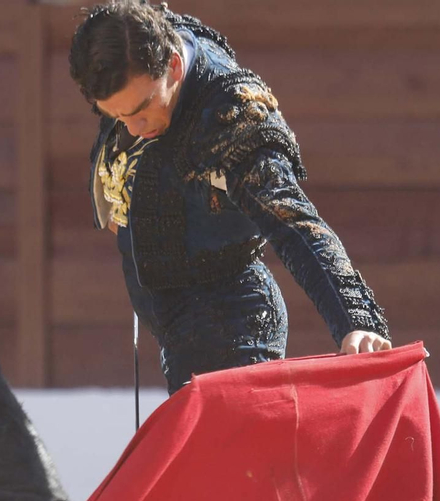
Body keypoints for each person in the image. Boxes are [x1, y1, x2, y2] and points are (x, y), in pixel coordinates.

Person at [69, 1, 391, 395]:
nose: (133, 130)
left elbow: (295, 223)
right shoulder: (134, 43)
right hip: (177, 319)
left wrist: (355, 319)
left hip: (230, 326)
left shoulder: (232, 118)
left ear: (172, 66)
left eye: (141, 110)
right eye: (117, 117)